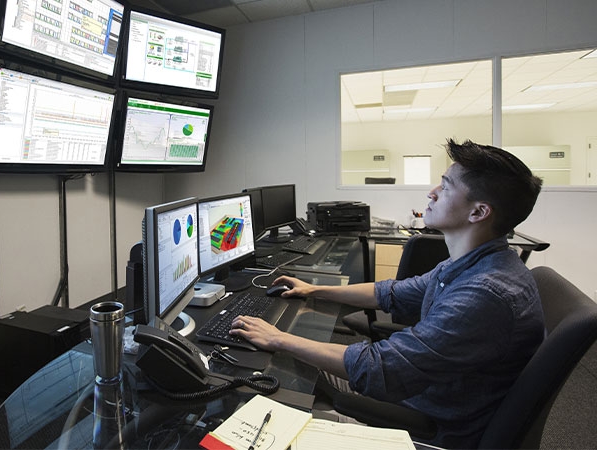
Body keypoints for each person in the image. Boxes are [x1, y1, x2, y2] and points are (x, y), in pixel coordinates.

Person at [229, 138, 545, 449]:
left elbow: (379, 368)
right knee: (293, 358)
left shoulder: (484, 294)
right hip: (428, 389)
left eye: (446, 187)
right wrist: (315, 289)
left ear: (478, 213)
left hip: (428, 418)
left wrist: (278, 339)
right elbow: (391, 293)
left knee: (274, 375)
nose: (431, 193)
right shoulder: (475, 264)